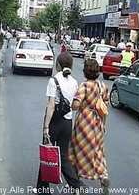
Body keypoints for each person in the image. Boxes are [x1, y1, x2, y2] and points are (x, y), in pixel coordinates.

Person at [35, 52, 85, 194]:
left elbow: (51, 105)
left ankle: (43, 188)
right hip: (67, 122)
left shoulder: (53, 81)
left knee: (47, 153)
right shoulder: (74, 82)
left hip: (54, 122)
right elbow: (75, 104)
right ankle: (77, 185)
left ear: (58, 64)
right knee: (63, 155)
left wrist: (46, 126)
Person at [69, 59, 110, 195]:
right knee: (97, 152)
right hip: (97, 122)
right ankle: (103, 176)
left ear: (85, 72)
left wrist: (77, 105)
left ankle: (77, 184)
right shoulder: (102, 86)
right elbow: (104, 106)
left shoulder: (84, 86)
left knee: (79, 151)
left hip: (84, 123)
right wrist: (103, 124)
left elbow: (75, 105)